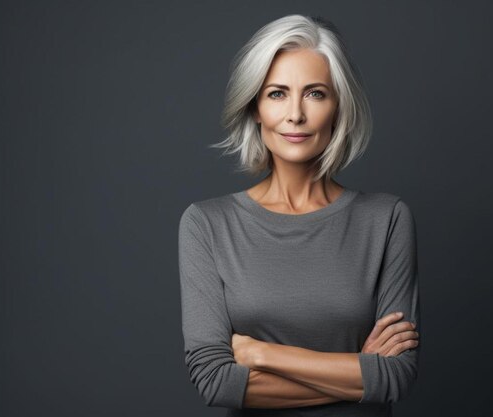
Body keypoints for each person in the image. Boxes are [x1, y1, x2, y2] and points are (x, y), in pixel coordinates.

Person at [178, 14, 421, 417]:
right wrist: (360, 373)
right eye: (276, 93)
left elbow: (396, 376)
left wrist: (260, 354)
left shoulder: (387, 219)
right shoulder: (207, 224)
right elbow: (215, 380)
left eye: (315, 94)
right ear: (255, 107)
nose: (295, 114)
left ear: (337, 106)